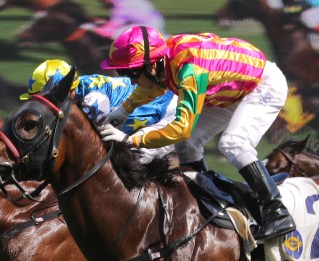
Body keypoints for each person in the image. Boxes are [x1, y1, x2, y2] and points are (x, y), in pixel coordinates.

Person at [98, 26, 295, 241]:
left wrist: (130, 140)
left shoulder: (189, 69)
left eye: (131, 73)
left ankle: (277, 212)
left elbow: (181, 129)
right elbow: (154, 87)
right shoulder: (165, 59)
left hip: (262, 86)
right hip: (231, 89)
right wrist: (121, 112)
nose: (131, 80)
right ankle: (207, 199)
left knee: (232, 143)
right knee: (188, 145)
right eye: (123, 73)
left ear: (152, 65)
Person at [21, 59, 177, 164]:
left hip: (166, 112)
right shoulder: (75, 92)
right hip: (138, 107)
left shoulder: (94, 99)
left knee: (127, 161)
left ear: (68, 92)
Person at [93, 0, 165, 40]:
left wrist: (91, 28)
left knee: (116, 33)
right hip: (155, 22)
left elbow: (108, 29)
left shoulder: (121, 6)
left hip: (149, 27)